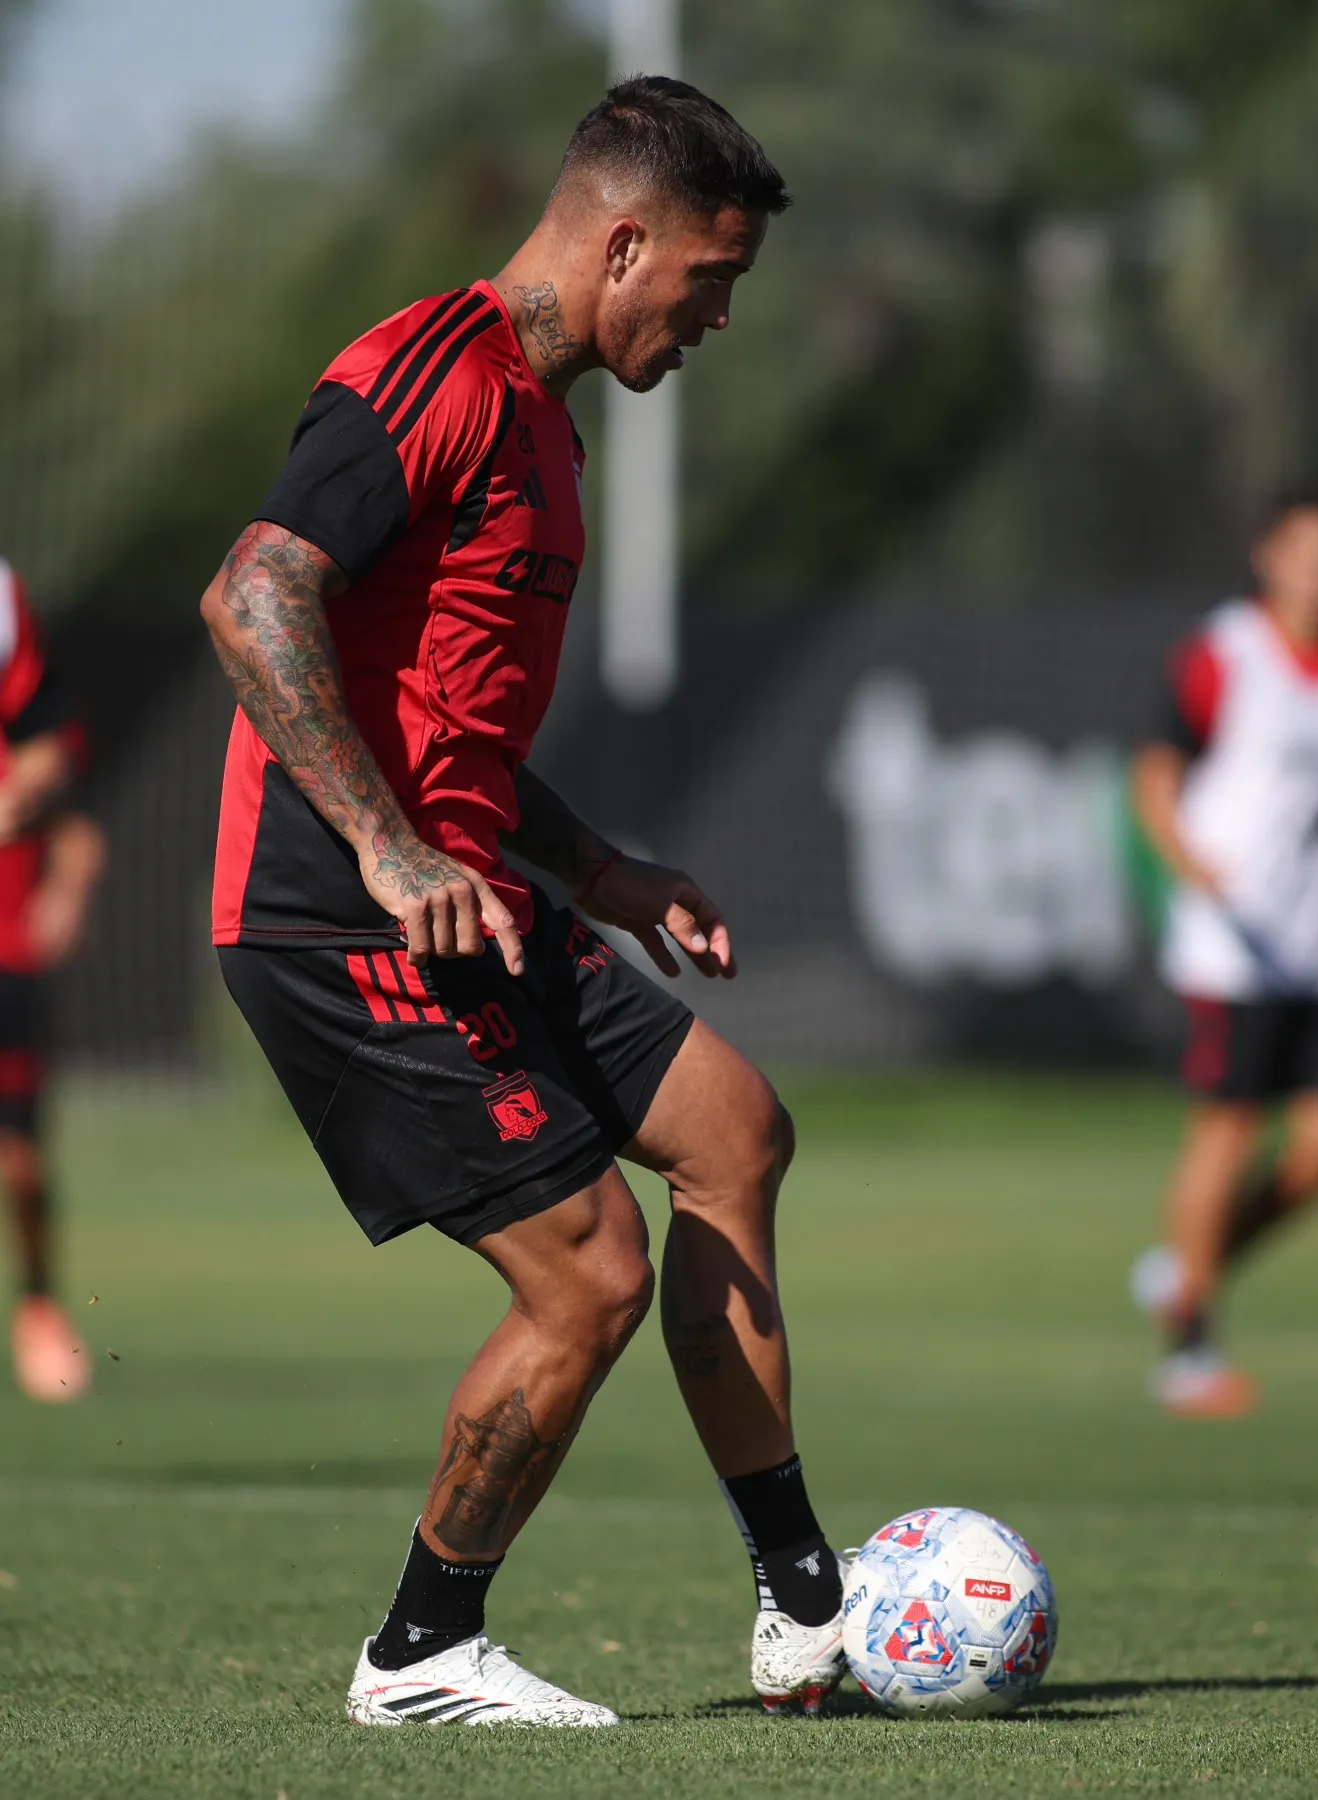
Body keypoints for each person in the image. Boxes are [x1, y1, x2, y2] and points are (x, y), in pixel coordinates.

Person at [201, 77, 846, 1728]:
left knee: (735, 1133)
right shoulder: (428, 371)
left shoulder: (547, 425)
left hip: (471, 890)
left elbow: (451, 725)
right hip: (339, 908)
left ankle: (806, 1606)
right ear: (623, 245)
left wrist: (603, 872)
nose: (716, 319)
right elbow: (254, 592)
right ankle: (420, 1653)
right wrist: (389, 850)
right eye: (710, 279)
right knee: (592, 1274)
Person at [1130, 499, 1318, 1419]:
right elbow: (1155, 775)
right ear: (1269, 558)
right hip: (1237, 945)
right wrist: (1193, 864)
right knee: (1228, 1131)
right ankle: (1190, 1354)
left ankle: (1189, 1269)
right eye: (1306, 554)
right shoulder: (1227, 652)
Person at [0, 559, 106, 1402]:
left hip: (6, 951)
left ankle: (39, 1299)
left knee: (21, 1162)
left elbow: (60, 785)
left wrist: (65, 892)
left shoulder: (3, 604)